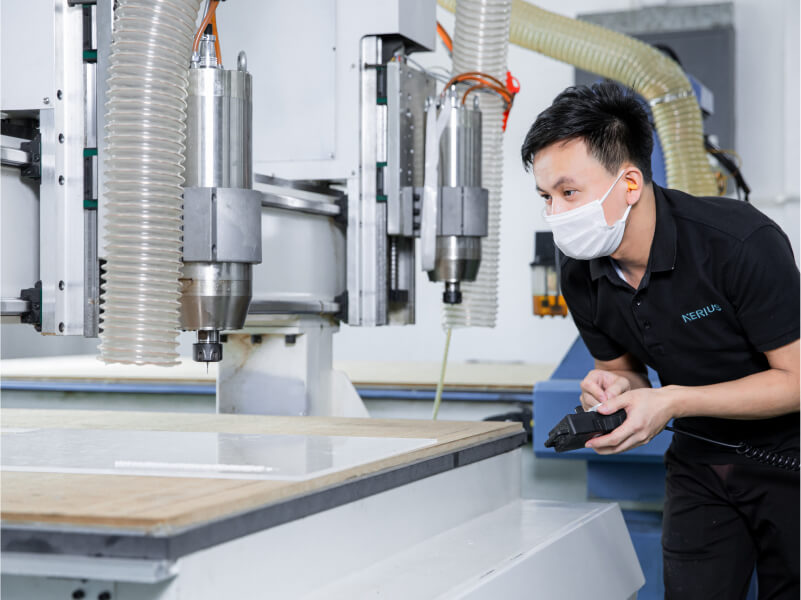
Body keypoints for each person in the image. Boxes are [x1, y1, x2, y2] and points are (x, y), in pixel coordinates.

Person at [520, 81, 800, 599]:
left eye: (568, 192)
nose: (555, 214)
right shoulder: (580, 272)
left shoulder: (740, 243)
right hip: (698, 463)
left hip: (791, 463)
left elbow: (797, 381)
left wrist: (672, 400)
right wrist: (611, 386)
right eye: (546, 197)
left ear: (629, 183)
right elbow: (625, 370)